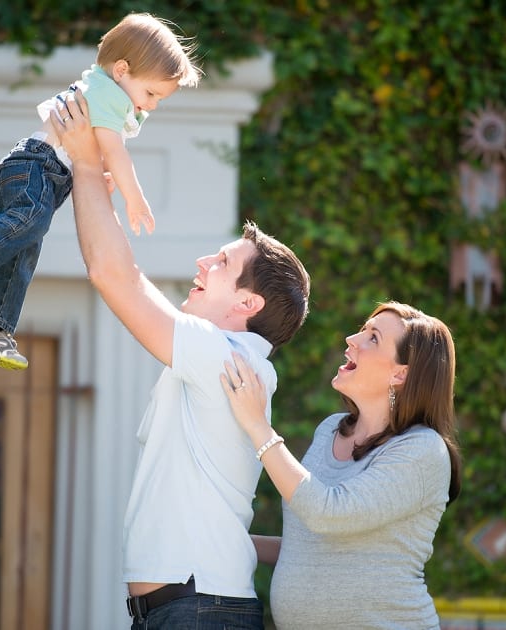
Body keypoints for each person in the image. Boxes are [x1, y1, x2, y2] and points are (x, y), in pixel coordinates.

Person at [51, 91, 311, 629]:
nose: (202, 261)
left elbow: (114, 276)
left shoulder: (223, 354)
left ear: (247, 304)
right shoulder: (228, 360)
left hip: (197, 610)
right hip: (190, 609)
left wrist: (82, 160)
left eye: (221, 262)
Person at [0, 13, 201, 370]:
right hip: (35, 164)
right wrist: (133, 196)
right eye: (151, 93)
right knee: (29, 223)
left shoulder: (110, 94)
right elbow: (114, 151)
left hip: (48, 173)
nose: (153, 104)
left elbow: (97, 149)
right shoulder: (108, 93)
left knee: (23, 250)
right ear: (122, 70)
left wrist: (101, 175)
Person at [220, 301, 462, 629]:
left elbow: (327, 513)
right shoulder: (330, 430)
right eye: (362, 330)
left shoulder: (423, 450)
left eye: (372, 338)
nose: (351, 339)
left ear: (400, 373)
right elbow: (307, 543)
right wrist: (222, 540)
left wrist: (258, 427)